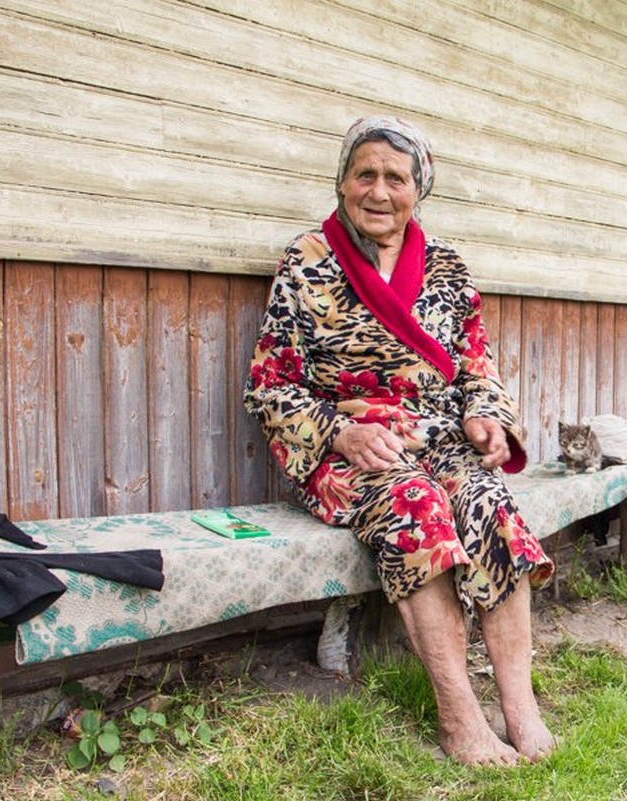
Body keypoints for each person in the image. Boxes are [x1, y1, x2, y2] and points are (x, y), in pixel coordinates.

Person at [244, 115, 555, 765]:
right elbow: (272, 385)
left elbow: (478, 367)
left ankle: (519, 705)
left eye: (396, 177)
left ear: (421, 188)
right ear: (342, 181)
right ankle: (459, 716)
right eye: (365, 174)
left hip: (440, 436)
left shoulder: (446, 266)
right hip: (352, 448)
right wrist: (342, 431)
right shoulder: (307, 262)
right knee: (417, 509)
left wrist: (487, 417)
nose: (379, 191)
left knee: (490, 507)